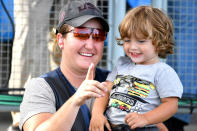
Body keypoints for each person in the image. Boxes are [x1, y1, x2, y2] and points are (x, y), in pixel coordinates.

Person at [89, 6, 183, 131]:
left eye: (141, 41)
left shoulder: (162, 71)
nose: (132, 47)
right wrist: (97, 114)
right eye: (127, 40)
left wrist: (145, 118)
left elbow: (171, 105)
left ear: (159, 41)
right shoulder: (122, 64)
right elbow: (105, 91)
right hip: (111, 126)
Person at [19, 0, 109, 131]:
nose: (90, 45)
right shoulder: (42, 87)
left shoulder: (114, 81)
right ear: (61, 40)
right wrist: (76, 101)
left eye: (98, 35)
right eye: (81, 33)